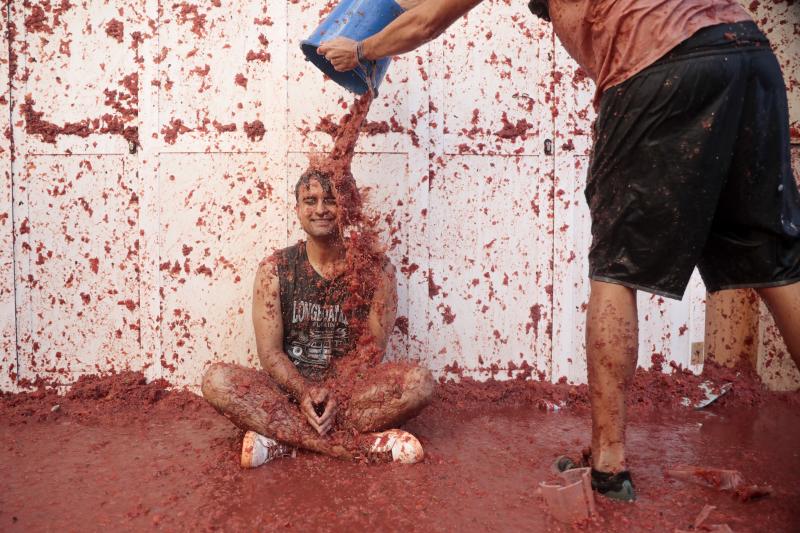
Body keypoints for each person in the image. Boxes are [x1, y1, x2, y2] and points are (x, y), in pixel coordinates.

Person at [318, 0, 800, 501]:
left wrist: (363, 48)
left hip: (657, 61)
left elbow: (430, 18)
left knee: (616, 270)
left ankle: (609, 465)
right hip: (748, 54)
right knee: (776, 264)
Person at [202, 170, 434, 467]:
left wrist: (336, 392)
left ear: (347, 207)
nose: (321, 209)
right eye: (310, 200)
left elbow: (372, 349)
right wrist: (302, 393)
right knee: (217, 381)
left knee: (418, 383)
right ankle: (351, 446)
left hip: (351, 395)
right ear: (297, 209)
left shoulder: (377, 271)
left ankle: (282, 442)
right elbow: (270, 353)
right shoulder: (275, 270)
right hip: (288, 395)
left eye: (331, 200)